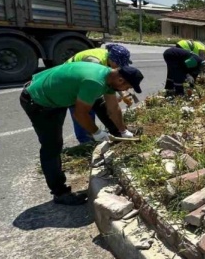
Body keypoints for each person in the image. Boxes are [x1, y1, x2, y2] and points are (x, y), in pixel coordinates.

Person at [20, 63, 144, 205]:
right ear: (121, 80)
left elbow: (113, 109)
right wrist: (96, 132)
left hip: (56, 93)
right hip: (39, 101)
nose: (127, 90)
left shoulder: (108, 77)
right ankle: (60, 193)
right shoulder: (94, 81)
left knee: (99, 102)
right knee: (52, 146)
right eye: (128, 87)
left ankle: (118, 136)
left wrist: (123, 131)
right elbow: (80, 114)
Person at [65, 44, 134, 144]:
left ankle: (117, 133)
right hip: (71, 83)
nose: (120, 67)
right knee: (84, 111)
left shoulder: (109, 58)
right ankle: (86, 142)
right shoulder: (94, 62)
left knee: (103, 106)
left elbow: (114, 79)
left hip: (86, 80)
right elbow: (92, 82)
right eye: (119, 64)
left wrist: (123, 94)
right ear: (112, 60)